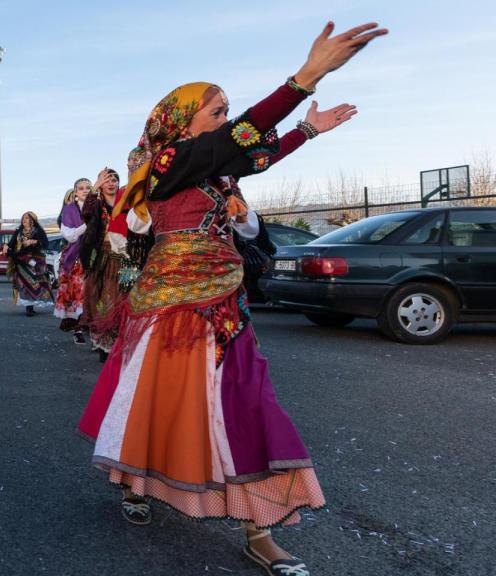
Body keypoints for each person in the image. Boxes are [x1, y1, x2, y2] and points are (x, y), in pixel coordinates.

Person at [78, 21, 385, 575]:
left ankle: (259, 527)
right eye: (216, 110)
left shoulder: (219, 175)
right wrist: (304, 79)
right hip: (169, 304)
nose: (225, 119)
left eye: (226, 110)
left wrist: (306, 132)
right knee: (154, 402)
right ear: (182, 120)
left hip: (225, 303)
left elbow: (253, 155)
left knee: (244, 402)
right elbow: (238, 140)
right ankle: (137, 484)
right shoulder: (168, 163)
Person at [78, 168, 130, 361]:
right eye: (107, 180)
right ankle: (104, 344)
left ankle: (122, 342)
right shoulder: (97, 204)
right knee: (103, 297)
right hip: (103, 258)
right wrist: (95, 185)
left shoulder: (127, 201)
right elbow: (86, 213)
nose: (111, 183)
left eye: (114, 179)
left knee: (124, 297)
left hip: (125, 257)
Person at [54, 179, 91, 343]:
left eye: (88, 188)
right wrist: (87, 226)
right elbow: (69, 235)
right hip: (76, 257)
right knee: (78, 294)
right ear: (75, 192)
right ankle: (78, 329)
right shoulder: (69, 210)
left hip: (97, 254)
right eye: (81, 188)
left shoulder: (98, 206)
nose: (85, 191)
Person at [1, 211, 53, 316]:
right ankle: (29, 307)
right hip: (21, 260)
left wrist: (33, 242)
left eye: (27, 218)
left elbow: (45, 244)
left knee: (36, 283)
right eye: (23, 218)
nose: (24, 220)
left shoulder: (38, 231)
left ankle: (33, 304)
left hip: (36, 261)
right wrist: (6, 246)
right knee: (25, 283)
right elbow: (12, 243)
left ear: (32, 220)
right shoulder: (18, 231)